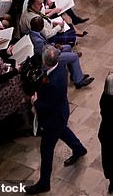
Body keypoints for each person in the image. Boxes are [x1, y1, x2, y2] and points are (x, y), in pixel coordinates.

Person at [24, 46, 88, 194]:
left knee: (46, 151)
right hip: (60, 112)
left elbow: (48, 105)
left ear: (45, 62)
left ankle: (44, 183)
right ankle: (79, 149)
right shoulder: (59, 67)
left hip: (53, 117)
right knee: (63, 131)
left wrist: (35, 102)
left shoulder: (54, 83)